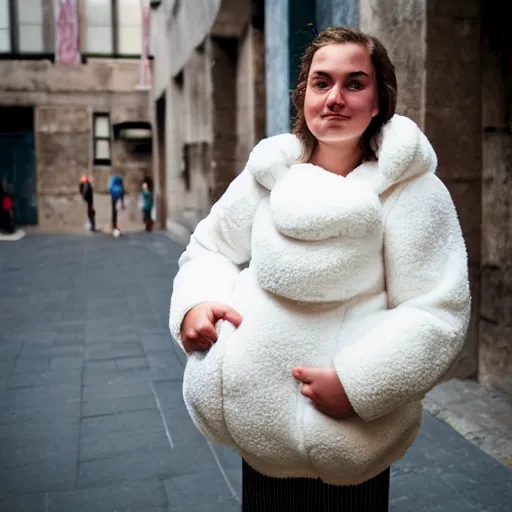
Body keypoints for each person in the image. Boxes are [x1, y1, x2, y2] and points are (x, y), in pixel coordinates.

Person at [169, 26, 471, 511]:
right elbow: (209, 248)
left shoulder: (412, 191)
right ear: (303, 96)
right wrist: (195, 307)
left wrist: (356, 384)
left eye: (355, 83)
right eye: (321, 82)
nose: (335, 97)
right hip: (259, 426)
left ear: (378, 101)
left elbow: (437, 312)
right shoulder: (267, 175)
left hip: (348, 432)